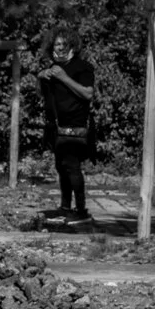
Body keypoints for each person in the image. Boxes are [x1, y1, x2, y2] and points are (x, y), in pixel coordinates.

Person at [39, 30, 96, 224]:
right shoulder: (55, 67)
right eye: (56, 44)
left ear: (72, 46)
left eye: (64, 44)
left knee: (72, 166)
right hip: (57, 127)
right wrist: (43, 75)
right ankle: (65, 207)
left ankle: (80, 210)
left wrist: (63, 77)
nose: (60, 48)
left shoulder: (83, 68)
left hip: (76, 126)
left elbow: (88, 93)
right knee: (61, 167)